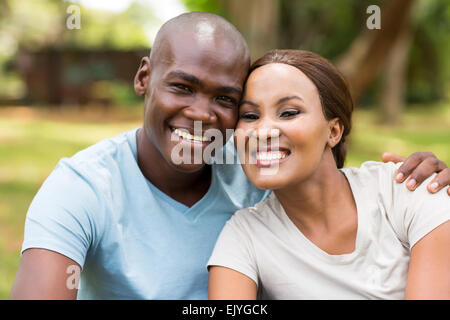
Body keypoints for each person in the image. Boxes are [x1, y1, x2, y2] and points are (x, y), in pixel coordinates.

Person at [10, 12, 450, 300]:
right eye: (182, 87)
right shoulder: (82, 188)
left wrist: (422, 182)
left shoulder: (257, 170)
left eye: (226, 98)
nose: (201, 114)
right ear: (144, 77)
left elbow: (324, 179)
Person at [207, 49, 450, 300]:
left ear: (333, 131)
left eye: (289, 113)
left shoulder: (409, 190)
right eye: (250, 116)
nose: (263, 131)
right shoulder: (245, 235)